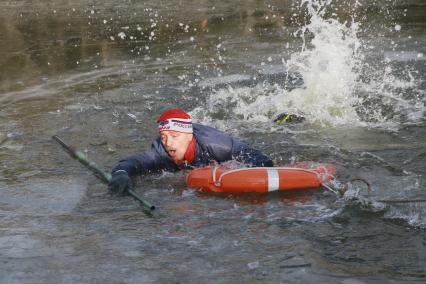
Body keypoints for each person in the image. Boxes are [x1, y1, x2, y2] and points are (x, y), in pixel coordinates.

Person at [108, 108, 273, 195]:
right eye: (163, 137)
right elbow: (133, 162)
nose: (169, 144)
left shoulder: (218, 146)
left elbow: (260, 159)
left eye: (174, 136)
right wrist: (122, 173)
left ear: (188, 136)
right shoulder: (161, 151)